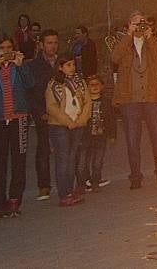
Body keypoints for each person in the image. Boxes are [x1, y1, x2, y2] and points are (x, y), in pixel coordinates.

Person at [110, 10, 157, 189]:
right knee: (132, 140)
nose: (140, 26)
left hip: (152, 97)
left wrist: (150, 37)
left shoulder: (153, 42)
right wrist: (129, 35)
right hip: (130, 99)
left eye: (142, 22)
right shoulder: (123, 43)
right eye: (136, 23)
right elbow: (114, 58)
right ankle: (135, 177)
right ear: (129, 25)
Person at [0, 36, 33, 220]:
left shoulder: (19, 66)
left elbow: (30, 84)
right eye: (2, 48)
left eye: (9, 47)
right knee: (0, 163)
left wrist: (20, 65)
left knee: (19, 161)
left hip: (19, 118)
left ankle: (15, 199)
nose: (5, 51)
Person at [44, 52, 90, 207]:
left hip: (77, 123)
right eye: (68, 65)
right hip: (60, 126)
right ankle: (64, 193)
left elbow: (87, 102)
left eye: (73, 65)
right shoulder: (54, 84)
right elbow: (51, 107)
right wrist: (67, 121)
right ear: (60, 67)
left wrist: (81, 120)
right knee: (63, 159)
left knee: (72, 158)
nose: (72, 68)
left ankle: (70, 190)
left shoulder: (80, 82)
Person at [27, 29, 61, 200]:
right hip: (45, 114)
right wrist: (40, 113)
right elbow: (32, 93)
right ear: (41, 45)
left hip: (64, 113)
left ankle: (71, 181)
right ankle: (44, 185)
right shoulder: (33, 66)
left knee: (67, 148)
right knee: (44, 149)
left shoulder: (63, 62)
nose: (53, 46)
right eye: (49, 43)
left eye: (55, 43)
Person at [75, 74, 114, 192]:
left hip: (101, 136)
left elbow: (111, 120)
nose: (95, 87)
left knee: (98, 161)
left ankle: (95, 181)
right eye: (91, 85)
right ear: (86, 87)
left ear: (102, 86)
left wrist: (112, 135)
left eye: (97, 84)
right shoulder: (82, 103)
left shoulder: (106, 102)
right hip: (85, 136)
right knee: (82, 161)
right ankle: (82, 183)